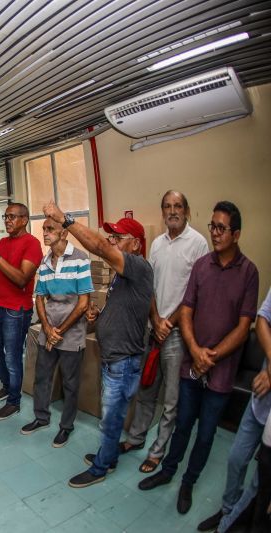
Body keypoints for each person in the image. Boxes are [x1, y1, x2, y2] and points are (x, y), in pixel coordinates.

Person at [139, 201, 259, 515]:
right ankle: (167, 470)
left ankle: (188, 482)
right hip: (192, 364)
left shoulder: (248, 272)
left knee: (205, 434)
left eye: (221, 228)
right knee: (182, 424)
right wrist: (195, 351)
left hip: (220, 370)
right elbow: (187, 310)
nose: (215, 233)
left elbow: (245, 325)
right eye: (212, 226)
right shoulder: (202, 265)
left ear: (236, 234)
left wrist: (212, 356)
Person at [44, 202, 153, 488]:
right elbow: (124, 313)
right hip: (114, 357)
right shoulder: (122, 277)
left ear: (137, 245)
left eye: (119, 238)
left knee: (110, 417)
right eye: (113, 237)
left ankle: (102, 467)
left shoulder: (139, 267)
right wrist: (98, 317)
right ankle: (109, 455)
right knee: (112, 415)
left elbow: (101, 248)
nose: (113, 242)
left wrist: (65, 220)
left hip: (123, 360)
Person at [120, 191, 209, 472]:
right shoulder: (157, 244)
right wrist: (156, 319)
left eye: (178, 206)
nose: (173, 211)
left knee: (171, 400)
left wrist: (168, 322)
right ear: (162, 211)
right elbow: (150, 286)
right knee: (146, 390)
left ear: (187, 210)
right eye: (168, 206)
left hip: (177, 335)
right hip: (153, 329)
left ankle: (157, 451)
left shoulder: (198, 244)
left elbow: (196, 293)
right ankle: (135, 438)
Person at [197, 288, 271, 532]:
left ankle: (230, 524)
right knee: (236, 459)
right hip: (262, 396)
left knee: (261, 482)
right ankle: (228, 510)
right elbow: (262, 320)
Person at [20, 217, 93, 448]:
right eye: (44, 229)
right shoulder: (44, 262)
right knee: (42, 376)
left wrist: (58, 331)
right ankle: (41, 418)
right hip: (48, 328)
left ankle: (66, 427)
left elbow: (83, 304)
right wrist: (48, 328)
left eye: (50, 229)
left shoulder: (80, 259)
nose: (45, 233)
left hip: (71, 332)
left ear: (64, 234)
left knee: (70, 383)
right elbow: (40, 297)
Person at [0, 203, 42, 420]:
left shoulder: (32, 244)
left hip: (17, 310)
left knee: (12, 357)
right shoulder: (2, 242)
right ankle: (8, 386)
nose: (7, 220)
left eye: (13, 217)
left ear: (25, 220)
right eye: (6, 217)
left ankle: (14, 401)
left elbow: (22, 279)